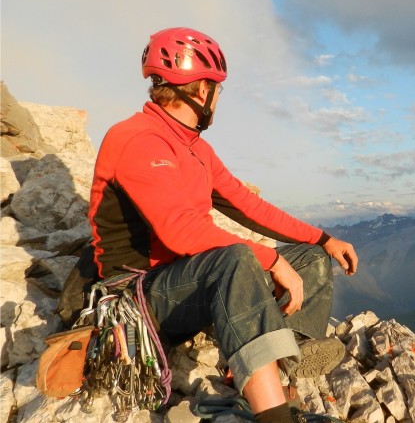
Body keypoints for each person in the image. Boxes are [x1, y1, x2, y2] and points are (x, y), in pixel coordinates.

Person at [88, 27, 358, 423]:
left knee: (310, 258)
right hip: (139, 295)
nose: (218, 99)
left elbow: (246, 205)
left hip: (186, 280)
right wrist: (269, 259)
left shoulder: (194, 146)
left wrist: (323, 238)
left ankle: (277, 363)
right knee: (236, 259)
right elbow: (179, 230)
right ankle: (275, 416)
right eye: (217, 89)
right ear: (200, 91)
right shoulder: (137, 139)